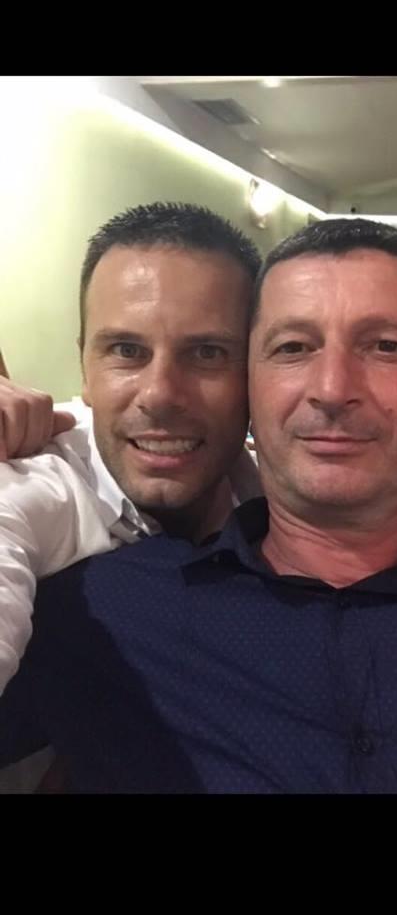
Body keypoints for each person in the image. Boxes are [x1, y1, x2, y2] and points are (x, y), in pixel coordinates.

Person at [1, 216, 397, 793]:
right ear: (253, 388)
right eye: (293, 347)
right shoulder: (99, 609)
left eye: (386, 346)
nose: (332, 389)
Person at [0, 201, 262, 692]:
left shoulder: (269, 496)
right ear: (85, 368)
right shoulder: (38, 486)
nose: (160, 395)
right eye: (126, 350)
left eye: (207, 353)